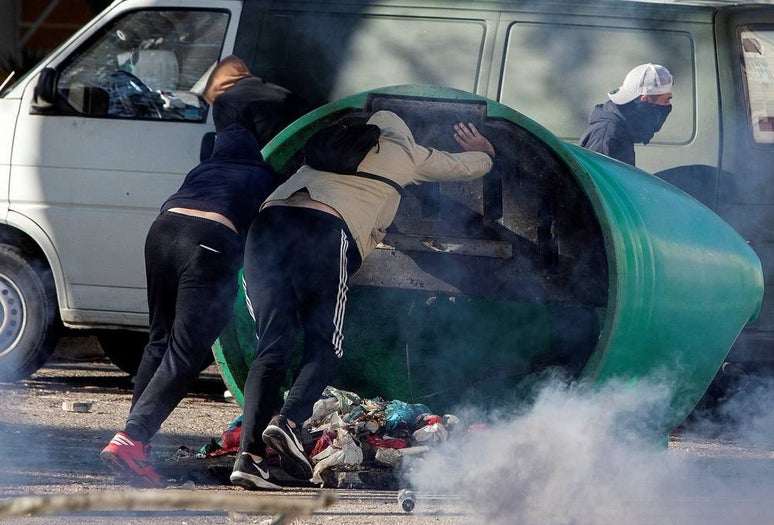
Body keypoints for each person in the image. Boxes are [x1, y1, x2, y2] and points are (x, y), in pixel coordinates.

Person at [229, 110, 496, 490]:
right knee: (326, 346)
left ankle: (249, 458)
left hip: (267, 225)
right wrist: (486, 153)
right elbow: (465, 167)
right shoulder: (405, 150)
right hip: (322, 230)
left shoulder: (326, 147)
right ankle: (287, 422)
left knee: (272, 346)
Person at [100, 124, 281, 486]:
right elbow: (271, 236)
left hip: (161, 233)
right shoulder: (263, 174)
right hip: (208, 241)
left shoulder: (202, 170)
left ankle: (137, 445)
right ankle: (133, 438)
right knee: (185, 352)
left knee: (159, 341)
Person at [204, 55, 312, 148]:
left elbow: (230, 150)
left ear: (215, 89)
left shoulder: (225, 102)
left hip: (278, 159)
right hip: (311, 147)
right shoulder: (268, 87)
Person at [578, 63, 674, 166]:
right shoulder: (608, 136)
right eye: (666, 100)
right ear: (645, 100)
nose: (668, 105)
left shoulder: (623, 129)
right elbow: (600, 181)